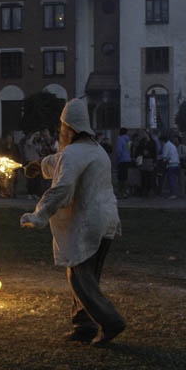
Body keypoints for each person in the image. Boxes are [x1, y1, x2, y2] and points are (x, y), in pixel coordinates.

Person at [20, 98, 125, 348]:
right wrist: (39, 165)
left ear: (71, 128)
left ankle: (110, 322)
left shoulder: (74, 152)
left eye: (62, 128)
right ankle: (84, 325)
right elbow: (60, 163)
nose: (60, 133)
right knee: (87, 275)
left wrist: (39, 214)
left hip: (90, 221)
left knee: (79, 277)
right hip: (108, 220)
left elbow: (64, 186)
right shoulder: (95, 150)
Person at [159, 133, 180, 198]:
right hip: (176, 164)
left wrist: (158, 157)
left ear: (162, 140)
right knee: (173, 179)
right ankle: (173, 193)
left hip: (171, 165)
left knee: (171, 180)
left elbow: (164, 157)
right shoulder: (171, 145)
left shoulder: (166, 145)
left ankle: (173, 194)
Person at [114, 127, 132, 198]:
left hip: (122, 160)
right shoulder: (128, 140)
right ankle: (126, 192)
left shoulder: (120, 140)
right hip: (128, 160)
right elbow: (129, 149)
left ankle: (121, 193)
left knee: (121, 178)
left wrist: (117, 159)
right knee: (126, 177)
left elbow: (119, 151)